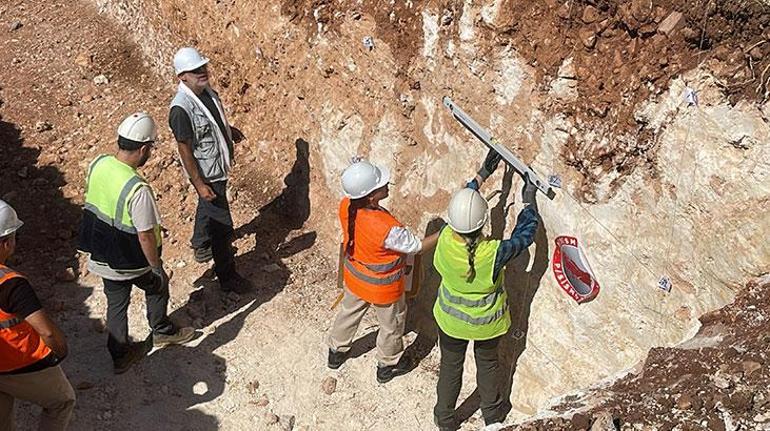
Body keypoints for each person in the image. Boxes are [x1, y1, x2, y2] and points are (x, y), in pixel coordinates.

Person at [78, 113, 194, 374]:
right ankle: (162, 330)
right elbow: (144, 235)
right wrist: (156, 267)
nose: (150, 153)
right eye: (150, 148)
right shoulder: (137, 189)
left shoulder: (98, 164)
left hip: (101, 254)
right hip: (130, 259)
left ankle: (119, 355)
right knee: (157, 285)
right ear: (143, 148)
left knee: (116, 304)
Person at [432, 151, 540, 430]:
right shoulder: (493, 253)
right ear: (483, 225)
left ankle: (444, 419)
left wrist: (481, 175)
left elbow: (463, 209)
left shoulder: (444, 238)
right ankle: (492, 416)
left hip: (450, 322)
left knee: (450, 368)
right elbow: (525, 237)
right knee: (488, 366)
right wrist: (528, 200)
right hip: (486, 326)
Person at [327, 159, 440, 384]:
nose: (387, 184)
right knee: (392, 325)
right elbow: (415, 247)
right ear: (371, 196)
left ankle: (336, 352)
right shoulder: (386, 228)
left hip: (356, 277)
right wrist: (442, 235)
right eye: (382, 183)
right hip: (383, 289)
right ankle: (388, 364)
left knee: (349, 312)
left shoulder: (347, 204)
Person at [168, 46, 252, 294]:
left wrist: (229, 131)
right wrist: (199, 184)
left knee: (209, 204)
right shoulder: (181, 109)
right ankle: (228, 277)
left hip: (217, 167)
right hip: (207, 172)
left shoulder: (205, 92)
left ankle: (200, 243)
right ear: (182, 76)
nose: (202, 72)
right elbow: (185, 149)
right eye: (195, 70)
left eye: (202, 67)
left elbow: (212, 121)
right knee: (222, 227)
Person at [0, 200, 76, 431]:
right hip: (17, 363)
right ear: (5, 243)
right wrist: (59, 352)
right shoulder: (11, 284)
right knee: (62, 401)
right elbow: (46, 331)